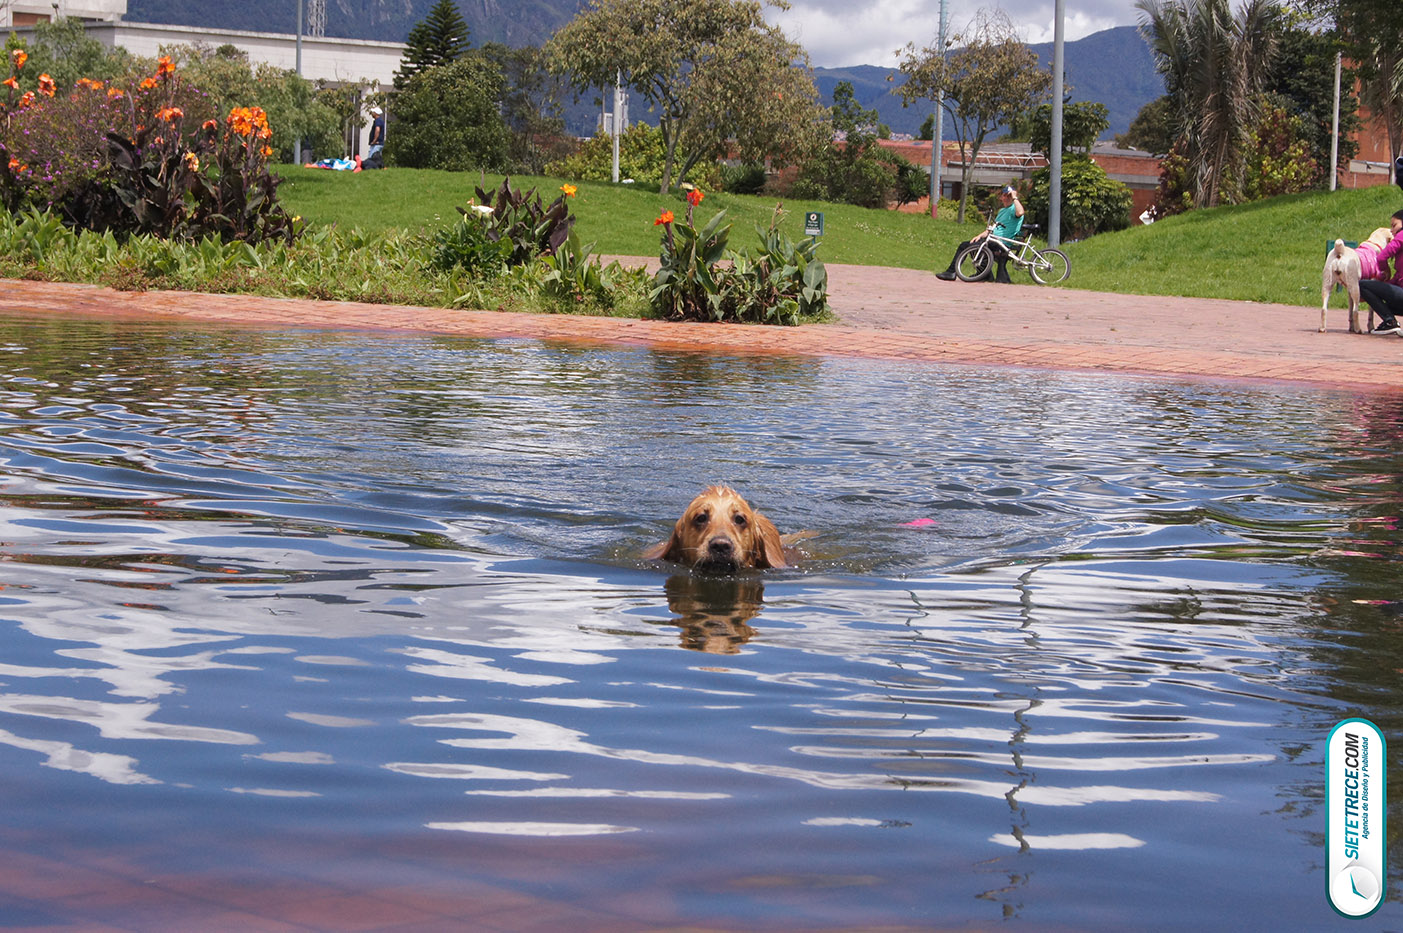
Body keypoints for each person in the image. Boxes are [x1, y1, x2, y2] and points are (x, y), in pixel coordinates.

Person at [936, 185, 1025, 284]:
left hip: (1001, 243)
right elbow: (992, 228)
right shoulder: (1002, 211)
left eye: (1007, 196)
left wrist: (1015, 197)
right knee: (966, 245)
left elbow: (1020, 212)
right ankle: (953, 272)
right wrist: (979, 236)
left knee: (974, 247)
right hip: (992, 240)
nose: (1004, 198)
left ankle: (983, 274)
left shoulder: (1014, 208)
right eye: (1004, 195)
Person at [1361, 209, 1403, 334]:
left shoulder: (1401, 235)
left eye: (1394, 225)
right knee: (1382, 297)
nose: (1391, 230)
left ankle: (1389, 322)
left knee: (1363, 285)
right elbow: (1398, 278)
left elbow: (1381, 257)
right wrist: (1384, 285)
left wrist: (1384, 271)